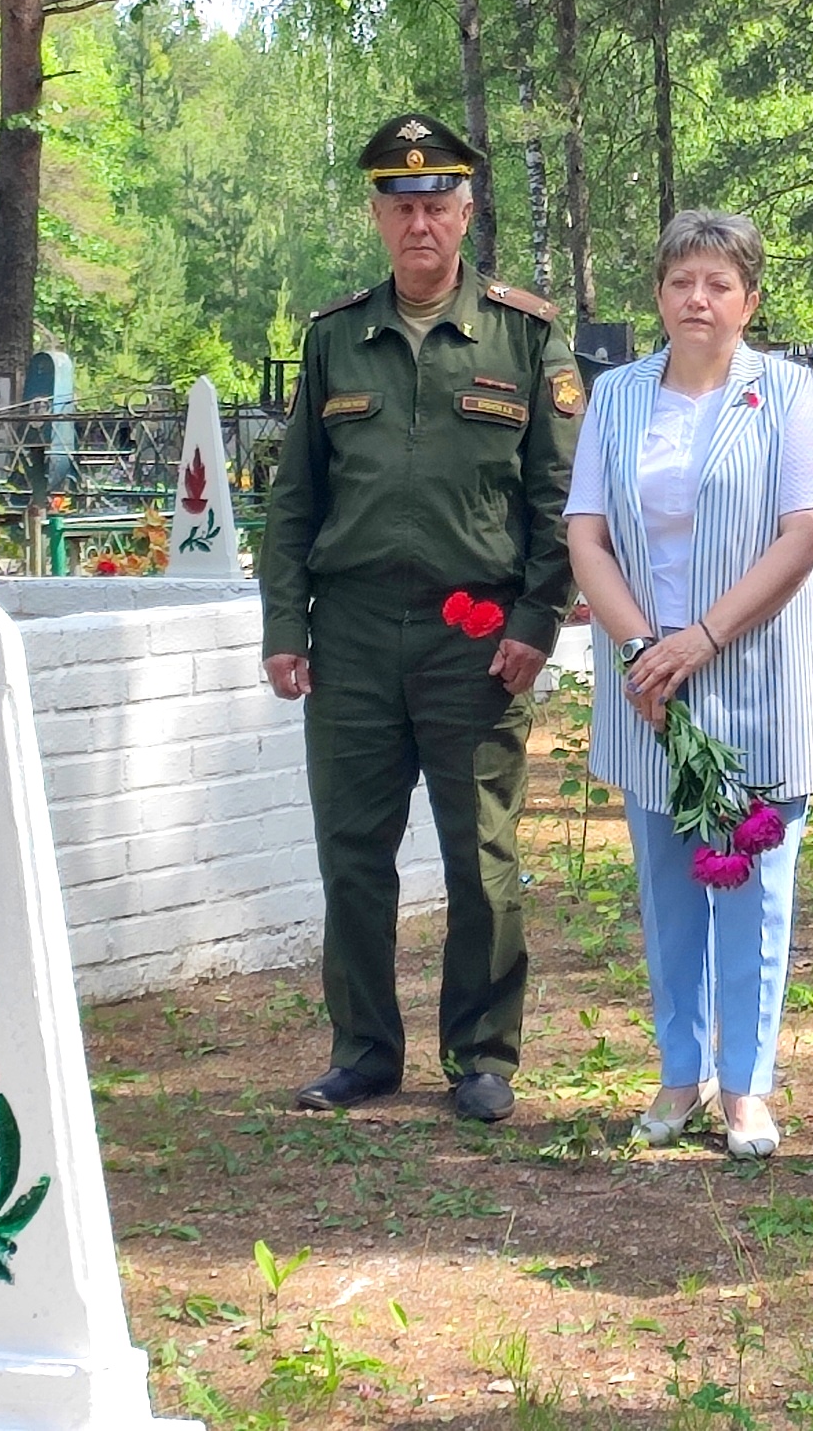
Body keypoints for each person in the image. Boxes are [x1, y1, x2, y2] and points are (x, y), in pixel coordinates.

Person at [258, 111, 582, 1123]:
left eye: (437, 206)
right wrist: (284, 625)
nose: (419, 226)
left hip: (476, 636)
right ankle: (362, 1049)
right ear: (377, 215)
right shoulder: (332, 340)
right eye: (401, 208)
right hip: (351, 631)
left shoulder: (524, 337)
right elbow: (294, 498)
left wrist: (536, 620)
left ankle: (481, 1053)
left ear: (466, 212)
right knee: (351, 852)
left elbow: (559, 497)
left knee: (478, 854)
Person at [564, 212, 813, 1159]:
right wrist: (645, 646)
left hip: (754, 676)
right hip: (649, 688)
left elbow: (805, 532)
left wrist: (703, 638)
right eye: (682, 281)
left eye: (719, 284)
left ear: (749, 300)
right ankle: (679, 1075)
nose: (698, 299)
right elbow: (587, 533)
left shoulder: (787, 391)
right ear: (659, 295)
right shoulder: (619, 396)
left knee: (755, 892)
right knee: (670, 888)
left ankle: (747, 1088)